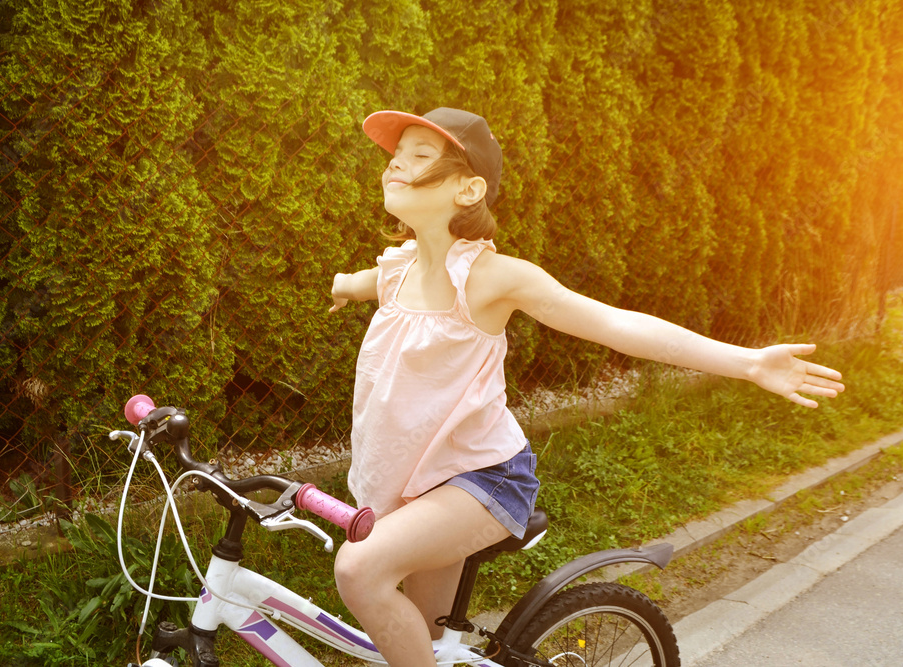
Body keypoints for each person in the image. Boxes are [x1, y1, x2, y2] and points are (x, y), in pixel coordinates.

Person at [328, 107, 844, 666]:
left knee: (359, 569)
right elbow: (360, 283)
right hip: (414, 482)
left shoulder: (492, 279)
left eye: (421, 155)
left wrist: (749, 363)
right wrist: (342, 286)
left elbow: (617, 325)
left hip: (482, 479)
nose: (398, 163)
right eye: (397, 153)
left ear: (468, 188)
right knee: (426, 645)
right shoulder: (394, 273)